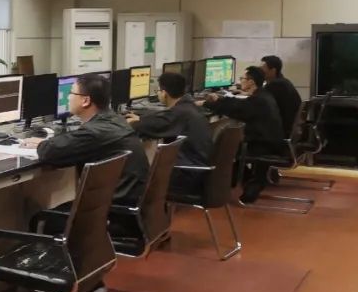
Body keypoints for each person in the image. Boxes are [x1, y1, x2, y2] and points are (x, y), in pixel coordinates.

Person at [26, 74, 150, 292]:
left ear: (85, 101)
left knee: (44, 220)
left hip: (118, 216)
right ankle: (89, 281)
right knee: (64, 213)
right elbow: (74, 142)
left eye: (70, 93)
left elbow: (51, 152)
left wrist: (42, 143)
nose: (67, 98)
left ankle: (71, 288)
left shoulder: (95, 132)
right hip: (131, 209)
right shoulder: (114, 122)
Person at [200, 65, 285, 203]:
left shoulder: (257, 100)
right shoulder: (263, 95)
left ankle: (223, 186)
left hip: (261, 144)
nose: (240, 82)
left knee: (222, 150)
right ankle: (246, 182)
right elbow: (239, 105)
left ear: (251, 82)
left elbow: (236, 110)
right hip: (269, 141)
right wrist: (219, 100)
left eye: (242, 79)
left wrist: (206, 103)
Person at [126, 71, 212, 194]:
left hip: (188, 175)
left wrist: (133, 123)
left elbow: (157, 126)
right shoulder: (189, 108)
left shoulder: (180, 113)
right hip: (199, 171)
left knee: (136, 179)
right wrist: (141, 119)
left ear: (164, 93)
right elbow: (164, 119)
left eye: (158, 91)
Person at [260, 55, 302, 137]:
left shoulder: (275, 85)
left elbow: (259, 103)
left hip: (281, 130)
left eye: (262, 69)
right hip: (289, 127)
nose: (259, 71)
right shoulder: (284, 82)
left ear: (273, 70)